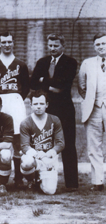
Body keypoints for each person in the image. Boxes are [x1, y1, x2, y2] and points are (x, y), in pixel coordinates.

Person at [30, 34, 78, 191]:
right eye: (50, 45)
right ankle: (40, 180)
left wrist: (44, 82)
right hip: (45, 110)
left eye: (56, 46)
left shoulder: (70, 62)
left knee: (68, 144)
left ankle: (71, 184)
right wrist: (51, 86)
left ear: (62, 46)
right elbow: (32, 82)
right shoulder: (42, 62)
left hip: (65, 110)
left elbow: (64, 85)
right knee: (43, 143)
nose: (52, 48)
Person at [0, 31, 29, 188]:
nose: (7, 45)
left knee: (16, 138)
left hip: (15, 101)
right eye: (4, 42)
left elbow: (26, 87)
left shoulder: (21, 64)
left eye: (9, 42)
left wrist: (16, 98)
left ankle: (18, 177)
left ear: (13, 42)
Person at [20, 90, 65, 195]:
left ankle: (40, 180)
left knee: (50, 191)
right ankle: (31, 180)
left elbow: (60, 143)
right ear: (31, 105)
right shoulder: (26, 123)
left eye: (41, 103)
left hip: (49, 157)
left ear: (47, 105)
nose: (38, 106)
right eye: (35, 104)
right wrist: (38, 155)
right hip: (35, 157)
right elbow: (24, 146)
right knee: (27, 163)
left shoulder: (54, 120)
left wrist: (50, 153)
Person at [78, 32, 106, 191]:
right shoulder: (87, 63)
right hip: (93, 109)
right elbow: (81, 86)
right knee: (94, 146)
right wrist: (91, 101)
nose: (101, 47)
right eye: (98, 44)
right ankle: (98, 182)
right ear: (94, 47)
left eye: (104, 43)